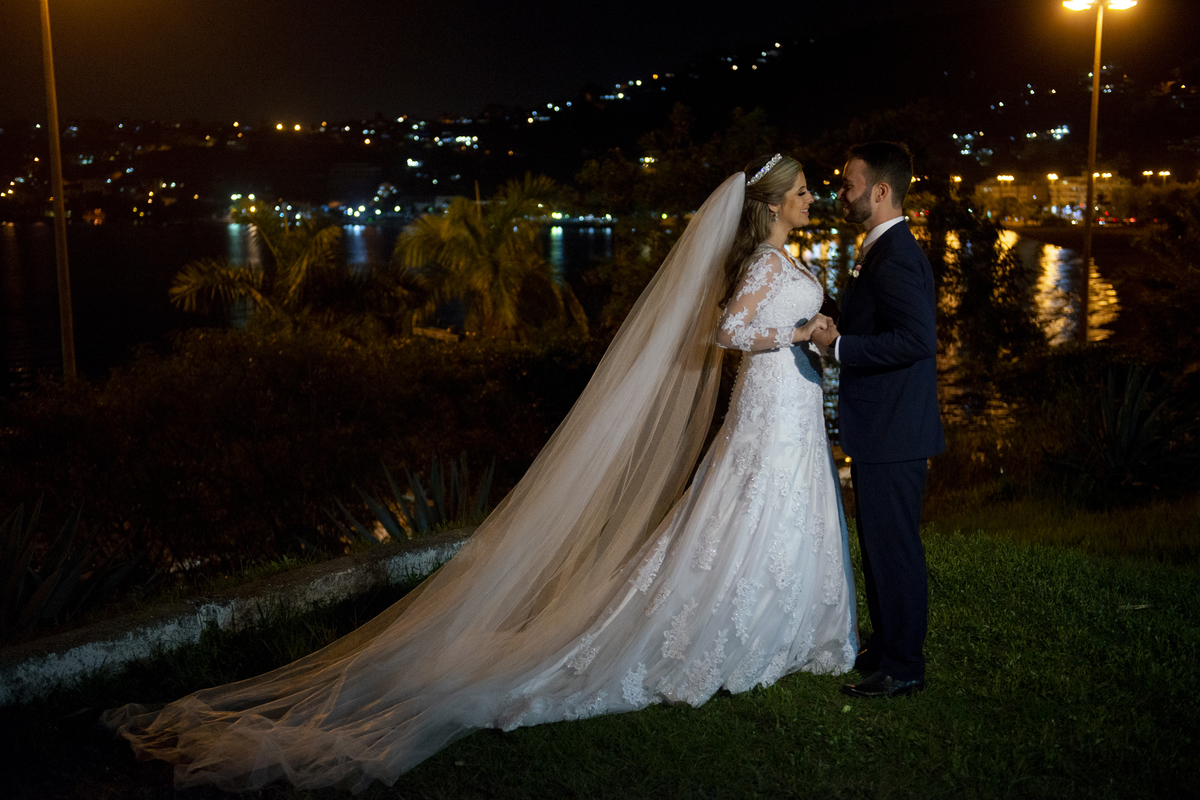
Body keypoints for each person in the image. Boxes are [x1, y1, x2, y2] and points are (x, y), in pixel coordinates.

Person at [103, 154, 858, 792]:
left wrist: (815, 336)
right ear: (771, 204)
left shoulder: (788, 257)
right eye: (800, 190)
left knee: (780, 510)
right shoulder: (761, 261)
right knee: (745, 509)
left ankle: (789, 627)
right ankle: (728, 629)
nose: (810, 197)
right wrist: (800, 326)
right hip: (764, 411)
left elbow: (769, 328)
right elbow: (731, 329)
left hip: (790, 403)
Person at [811, 141, 945, 699]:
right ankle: (886, 645)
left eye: (849, 184)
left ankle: (904, 666)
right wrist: (832, 311)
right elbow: (877, 319)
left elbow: (916, 339)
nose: (841, 193)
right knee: (879, 544)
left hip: (896, 431)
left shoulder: (895, 256)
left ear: (881, 190)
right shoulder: (881, 251)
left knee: (895, 548)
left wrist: (839, 348)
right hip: (884, 430)